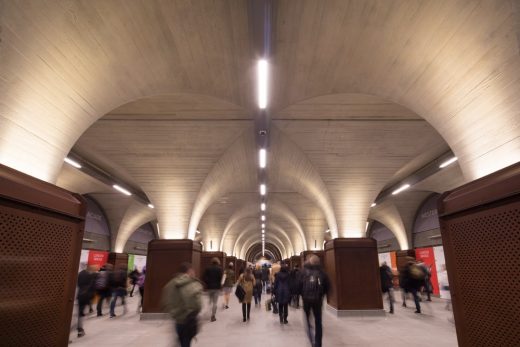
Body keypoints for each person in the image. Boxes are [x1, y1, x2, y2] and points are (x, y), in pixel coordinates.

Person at [162, 262, 203, 347]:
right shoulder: (192, 284)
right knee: (186, 342)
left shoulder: (170, 284)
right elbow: (198, 305)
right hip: (189, 320)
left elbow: (165, 303)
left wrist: (174, 312)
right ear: (189, 271)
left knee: (181, 340)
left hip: (177, 320)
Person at [300, 255, 330, 347]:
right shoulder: (322, 273)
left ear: (310, 262)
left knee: (308, 320)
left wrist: (302, 295)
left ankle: (312, 339)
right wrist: (321, 295)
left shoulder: (304, 272)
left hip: (306, 301)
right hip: (318, 301)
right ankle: (318, 343)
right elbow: (327, 287)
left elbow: (298, 285)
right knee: (318, 321)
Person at [76, 265, 96, 337]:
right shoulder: (91, 276)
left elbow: (78, 284)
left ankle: (80, 329)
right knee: (81, 313)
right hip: (86, 296)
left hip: (80, 295)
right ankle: (80, 329)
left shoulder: (80, 273)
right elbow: (93, 287)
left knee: (80, 312)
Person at [203, 257, 223, 322]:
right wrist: (220, 286)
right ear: (218, 262)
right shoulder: (219, 269)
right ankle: (213, 316)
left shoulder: (207, 268)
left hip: (209, 287)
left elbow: (204, 277)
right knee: (215, 302)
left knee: (210, 301)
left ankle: (208, 313)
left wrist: (207, 283)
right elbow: (221, 279)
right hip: (216, 288)